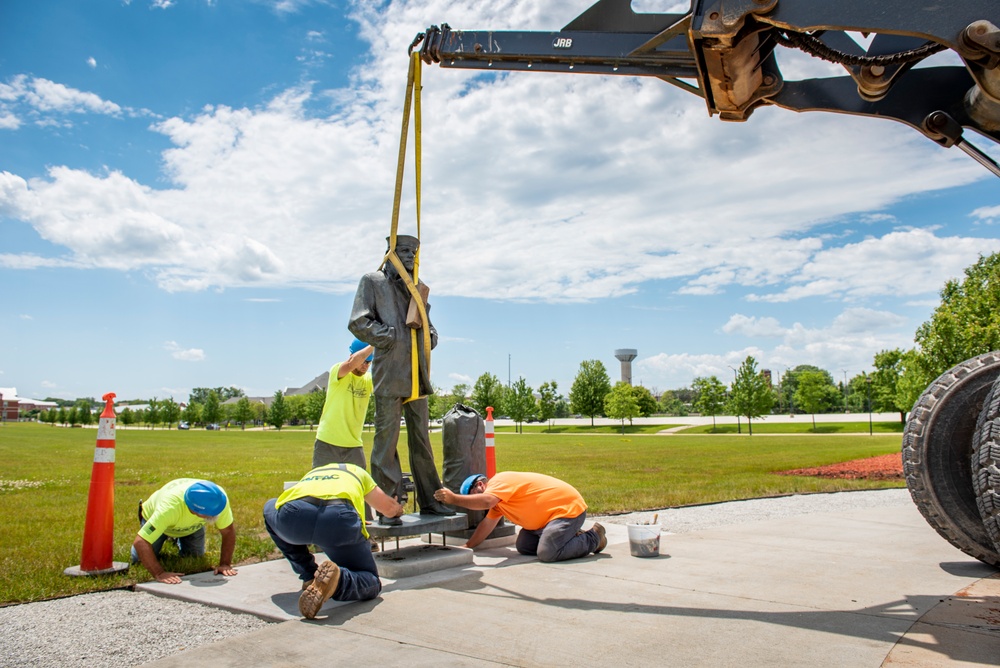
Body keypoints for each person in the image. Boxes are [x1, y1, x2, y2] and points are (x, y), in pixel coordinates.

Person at [349, 234, 454, 524]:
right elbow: (358, 321)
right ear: (390, 253)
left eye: (413, 252)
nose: (410, 257)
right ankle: (389, 505)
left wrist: (429, 337)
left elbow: (429, 328)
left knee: (422, 440)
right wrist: (390, 337)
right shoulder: (373, 282)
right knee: (386, 441)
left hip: (417, 375)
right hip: (390, 372)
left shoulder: (416, 288)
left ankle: (433, 501)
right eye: (404, 251)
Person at [263, 462, 404, 618]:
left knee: (269, 507)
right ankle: (339, 581)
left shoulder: (315, 473)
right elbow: (388, 509)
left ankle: (309, 575)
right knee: (370, 581)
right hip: (338, 520)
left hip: (295, 515)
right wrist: (398, 508)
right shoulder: (358, 473)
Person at [434, 471, 607, 562]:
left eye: (473, 494)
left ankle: (594, 537)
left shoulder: (500, 482)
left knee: (548, 553)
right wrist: (468, 545)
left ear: (481, 484)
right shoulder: (498, 504)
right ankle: (568, 536)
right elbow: (487, 524)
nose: (473, 500)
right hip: (545, 523)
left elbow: (485, 502)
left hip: (567, 510)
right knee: (524, 546)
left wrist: (454, 498)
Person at [131, 479, 237, 585]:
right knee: (138, 559)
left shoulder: (217, 500)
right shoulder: (169, 508)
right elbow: (140, 542)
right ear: (193, 510)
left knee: (194, 557)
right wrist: (159, 573)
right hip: (158, 520)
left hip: (191, 526)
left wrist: (225, 564)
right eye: (209, 514)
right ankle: (170, 537)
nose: (216, 515)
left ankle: (177, 539)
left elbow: (228, 531)